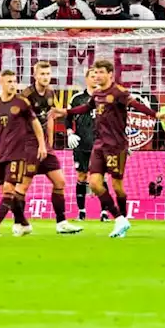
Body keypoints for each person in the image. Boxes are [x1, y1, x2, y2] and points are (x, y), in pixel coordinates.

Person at [54, 60, 165, 238]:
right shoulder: (98, 93)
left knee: (117, 187)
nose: (97, 76)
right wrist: (66, 112)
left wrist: (156, 114)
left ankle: (122, 220)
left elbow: (135, 105)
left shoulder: (119, 92)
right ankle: (119, 219)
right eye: (95, 72)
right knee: (94, 183)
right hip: (98, 145)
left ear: (110, 74)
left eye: (100, 72)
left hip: (116, 146)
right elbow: (86, 107)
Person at [0, 71, 46, 237]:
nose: (13, 84)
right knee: (8, 194)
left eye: (14, 81)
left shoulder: (22, 102)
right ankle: (24, 224)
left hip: (18, 154)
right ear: (1, 83)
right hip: (1, 154)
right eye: (9, 81)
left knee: (8, 189)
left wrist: (42, 144)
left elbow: (36, 124)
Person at [22, 62, 83, 234]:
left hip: (44, 146)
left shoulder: (50, 93)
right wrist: (40, 144)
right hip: (29, 144)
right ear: (35, 76)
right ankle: (19, 222)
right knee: (23, 186)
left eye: (48, 73)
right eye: (42, 74)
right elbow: (30, 122)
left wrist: (49, 143)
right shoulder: (26, 95)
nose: (46, 77)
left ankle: (61, 222)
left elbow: (49, 117)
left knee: (60, 182)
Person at [65, 71, 98, 220]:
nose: (95, 78)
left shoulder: (106, 98)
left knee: (100, 178)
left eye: (98, 75)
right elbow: (67, 116)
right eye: (92, 76)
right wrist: (69, 132)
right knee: (81, 176)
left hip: (100, 144)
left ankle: (104, 213)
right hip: (81, 144)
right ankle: (82, 212)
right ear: (86, 79)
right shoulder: (77, 98)